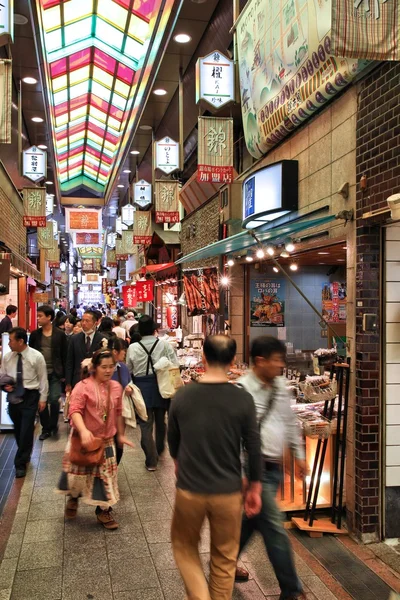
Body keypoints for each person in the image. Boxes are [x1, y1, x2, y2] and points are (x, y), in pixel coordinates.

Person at [168, 335, 262, 600]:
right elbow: (253, 446)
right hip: (229, 492)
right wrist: (254, 486)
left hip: (190, 489)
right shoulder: (242, 399)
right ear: (232, 361)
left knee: (185, 547)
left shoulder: (183, 395)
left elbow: (173, 440)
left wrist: (178, 463)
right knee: (224, 558)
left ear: (204, 358)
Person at [235, 336, 306, 600]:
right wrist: (242, 475)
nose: (280, 365)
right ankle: (292, 590)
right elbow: (234, 435)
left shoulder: (281, 385)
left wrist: (298, 455)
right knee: (274, 528)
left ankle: (223, 563)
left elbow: (289, 421)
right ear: (260, 361)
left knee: (250, 522)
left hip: (274, 468)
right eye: (276, 360)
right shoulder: (242, 389)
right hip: (254, 470)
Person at [58, 349, 134, 529]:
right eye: (104, 367)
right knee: (78, 473)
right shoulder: (82, 386)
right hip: (83, 439)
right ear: (94, 367)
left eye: (111, 367)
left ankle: (103, 511)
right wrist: (84, 431)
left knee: (106, 476)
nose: (108, 371)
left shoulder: (116, 387)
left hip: (106, 440)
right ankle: (74, 498)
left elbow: (118, 413)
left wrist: (121, 435)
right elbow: (74, 411)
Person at [126, 315, 178, 471]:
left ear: (139, 331)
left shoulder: (133, 348)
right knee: (161, 420)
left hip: (141, 387)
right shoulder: (164, 345)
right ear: (155, 330)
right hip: (161, 385)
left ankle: (151, 460)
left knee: (145, 424)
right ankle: (160, 448)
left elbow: (129, 369)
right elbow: (175, 364)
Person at [0, 327, 48, 478]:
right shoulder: (7, 357)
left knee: (27, 428)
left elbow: (43, 379)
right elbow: (2, 374)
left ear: (21, 341)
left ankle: (20, 463)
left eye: (12, 341)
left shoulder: (36, 356)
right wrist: (4, 385)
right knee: (18, 428)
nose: (9, 344)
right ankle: (25, 452)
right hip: (14, 395)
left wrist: (43, 398)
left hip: (30, 395)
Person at [29, 305, 68, 440]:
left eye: (40, 316)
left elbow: (65, 354)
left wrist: (65, 375)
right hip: (40, 373)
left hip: (55, 372)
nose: (38, 318)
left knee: (54, 398)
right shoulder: (35, 335)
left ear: (49, 317)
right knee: (42, 400)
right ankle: (46, 428)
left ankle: (53, 424)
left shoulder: (60, 334)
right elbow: (31, 354)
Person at [65, 311, 106, 391]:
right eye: (82, 320)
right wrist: (68, 382)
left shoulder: (103, 339)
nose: (83, 323)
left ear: (95, 323)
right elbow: (69, 362)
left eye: (87, 321)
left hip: (96, 380)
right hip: (77, 380)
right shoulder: (74, 339)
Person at [111, 338, 131, 465]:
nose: (125, 353)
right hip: (103, 412)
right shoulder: (97, 368)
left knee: (119, 442)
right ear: (115, 352)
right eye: (123, 350)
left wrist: (130, 388)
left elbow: (129, 383)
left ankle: (114, 466)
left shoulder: (123, 368)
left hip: (120, 411)